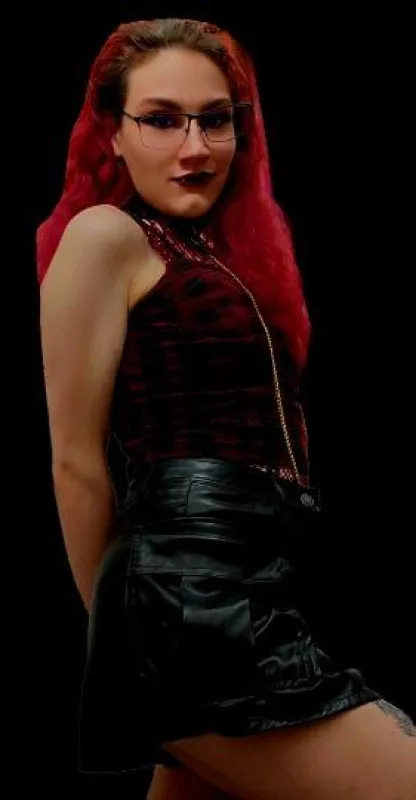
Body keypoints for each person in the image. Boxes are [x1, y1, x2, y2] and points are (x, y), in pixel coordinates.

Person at [37, 17, 416, 800]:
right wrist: (120, 638)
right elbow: (75, 464)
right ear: (112, 134)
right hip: (187, 602)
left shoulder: (213, 254)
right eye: (162, 119)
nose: (196, 147)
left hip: (246, 588)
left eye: (215, 120)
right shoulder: (104, 236)